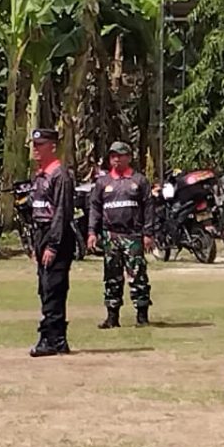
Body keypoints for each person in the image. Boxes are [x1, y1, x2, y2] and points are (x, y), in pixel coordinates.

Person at [87, 141, 153, 329]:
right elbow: (95, 208)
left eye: (120, 155)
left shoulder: (139, 181)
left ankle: (142, 316)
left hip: (133, 235)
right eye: (113, 156)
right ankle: (112, 317)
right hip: (111, 236)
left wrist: (148, 233)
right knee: (112, 276)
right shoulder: (103, 183)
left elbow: (149, 208)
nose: (116, 159)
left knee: (138, 275)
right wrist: (92, 232)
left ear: (129, 157)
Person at [27, 128, 76, 357]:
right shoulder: (40, 175)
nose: (36, 149)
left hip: (56, 235)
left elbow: (62, 214)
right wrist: (34, 245)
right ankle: (58, 339)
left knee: (54, 287)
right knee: (45, 288)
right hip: (41, 234)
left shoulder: (60, 175)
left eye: (40, 145)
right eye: (34, 145)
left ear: (52, 147)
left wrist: (53, 245)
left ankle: (50, 338)